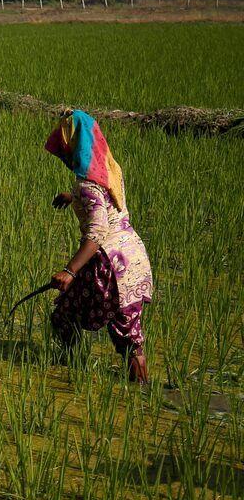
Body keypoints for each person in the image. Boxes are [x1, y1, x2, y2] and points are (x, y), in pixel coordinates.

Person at [45, 110, 153, 383]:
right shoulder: (110, 169)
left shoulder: (87, 186)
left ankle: (71, 369)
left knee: (64, 316)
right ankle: (142, 393)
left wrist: (69, 271)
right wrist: (74, 198)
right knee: (129, 335)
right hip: (134, 260)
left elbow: (97, 232)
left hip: (108, 266)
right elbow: (106, 200)